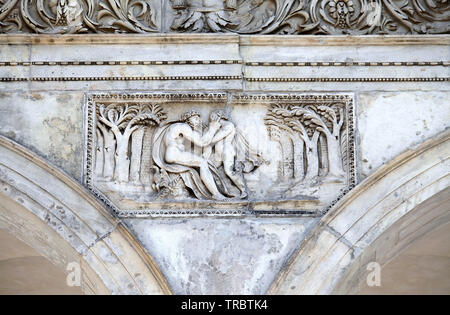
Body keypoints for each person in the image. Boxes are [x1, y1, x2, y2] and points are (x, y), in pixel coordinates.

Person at [152, 110, 229, 200]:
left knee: (202, 161)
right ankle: (216, 194)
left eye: (199, 118)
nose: (199, 121)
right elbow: (202, 142)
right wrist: (213, 128)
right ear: (188, 119)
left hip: (173, 154)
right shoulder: (183, 127)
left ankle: (214, 192)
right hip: (174, 154)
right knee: (202, 163)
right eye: (196, 118)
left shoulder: (176, 128)